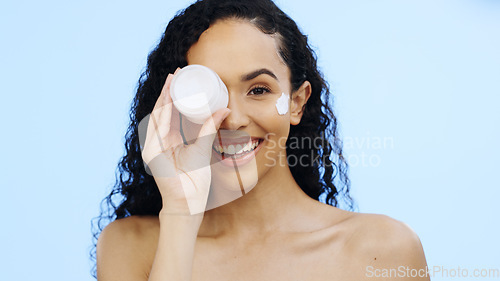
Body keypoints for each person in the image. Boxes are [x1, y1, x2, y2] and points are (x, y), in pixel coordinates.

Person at [92, 0, 429, 280]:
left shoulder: (382, 251)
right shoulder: (131, 246)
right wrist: (181, 213)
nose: (234, 118)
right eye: (207, 94)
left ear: (297, 102)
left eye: (258, 90)